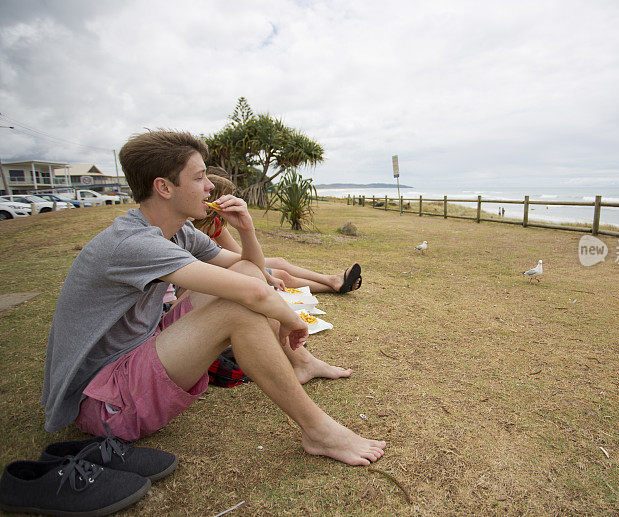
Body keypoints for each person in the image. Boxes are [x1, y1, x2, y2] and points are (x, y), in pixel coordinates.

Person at [41, 130, 385, 466]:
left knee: (246, 282)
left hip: (136, 354)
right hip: (102, 401)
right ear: (163, 187)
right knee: (239, 309)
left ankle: (302, 363)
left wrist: (245, 228)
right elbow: (252, 293)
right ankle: (318, 431)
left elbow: (253, 271)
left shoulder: (181, 231)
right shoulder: (133, 243)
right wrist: (291, 320)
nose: (210, 186)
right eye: (200, 177)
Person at [194, 174, 362, 293]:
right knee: (282, 275)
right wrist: (267, 276)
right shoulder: (189, 228)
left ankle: (332, 279)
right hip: (209, 271)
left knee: (280, 262)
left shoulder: (215, 225)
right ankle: (333, 285)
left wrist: (246, 229)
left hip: (222, 262)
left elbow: (240, 254)